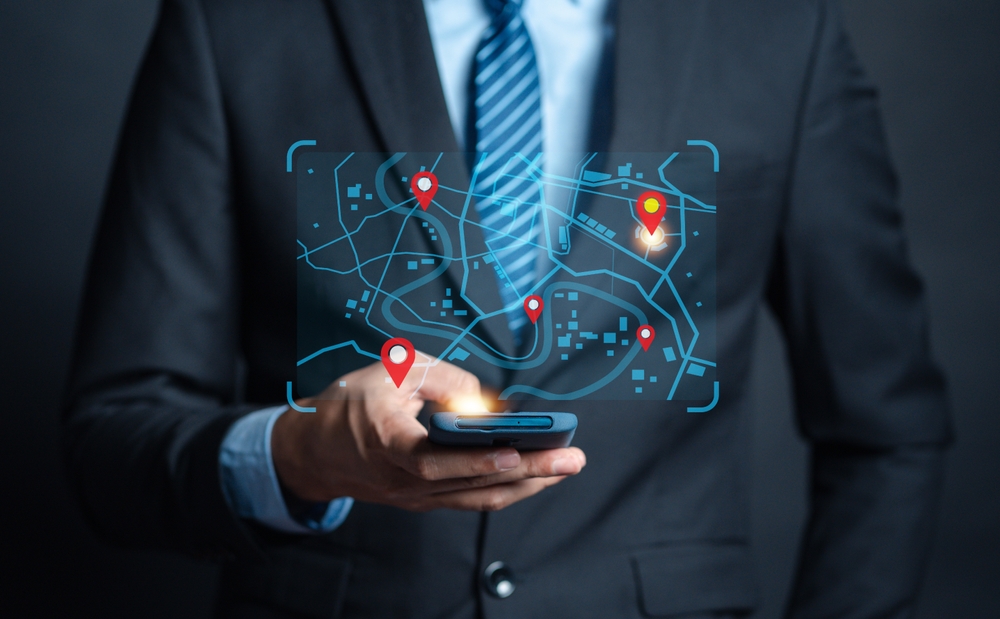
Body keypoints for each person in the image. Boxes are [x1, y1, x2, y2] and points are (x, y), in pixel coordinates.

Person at [63, 0, 951, 617]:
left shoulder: (779, 32)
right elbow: (114, 439)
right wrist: (298, 455)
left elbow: (889, 426)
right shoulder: (235, 24)